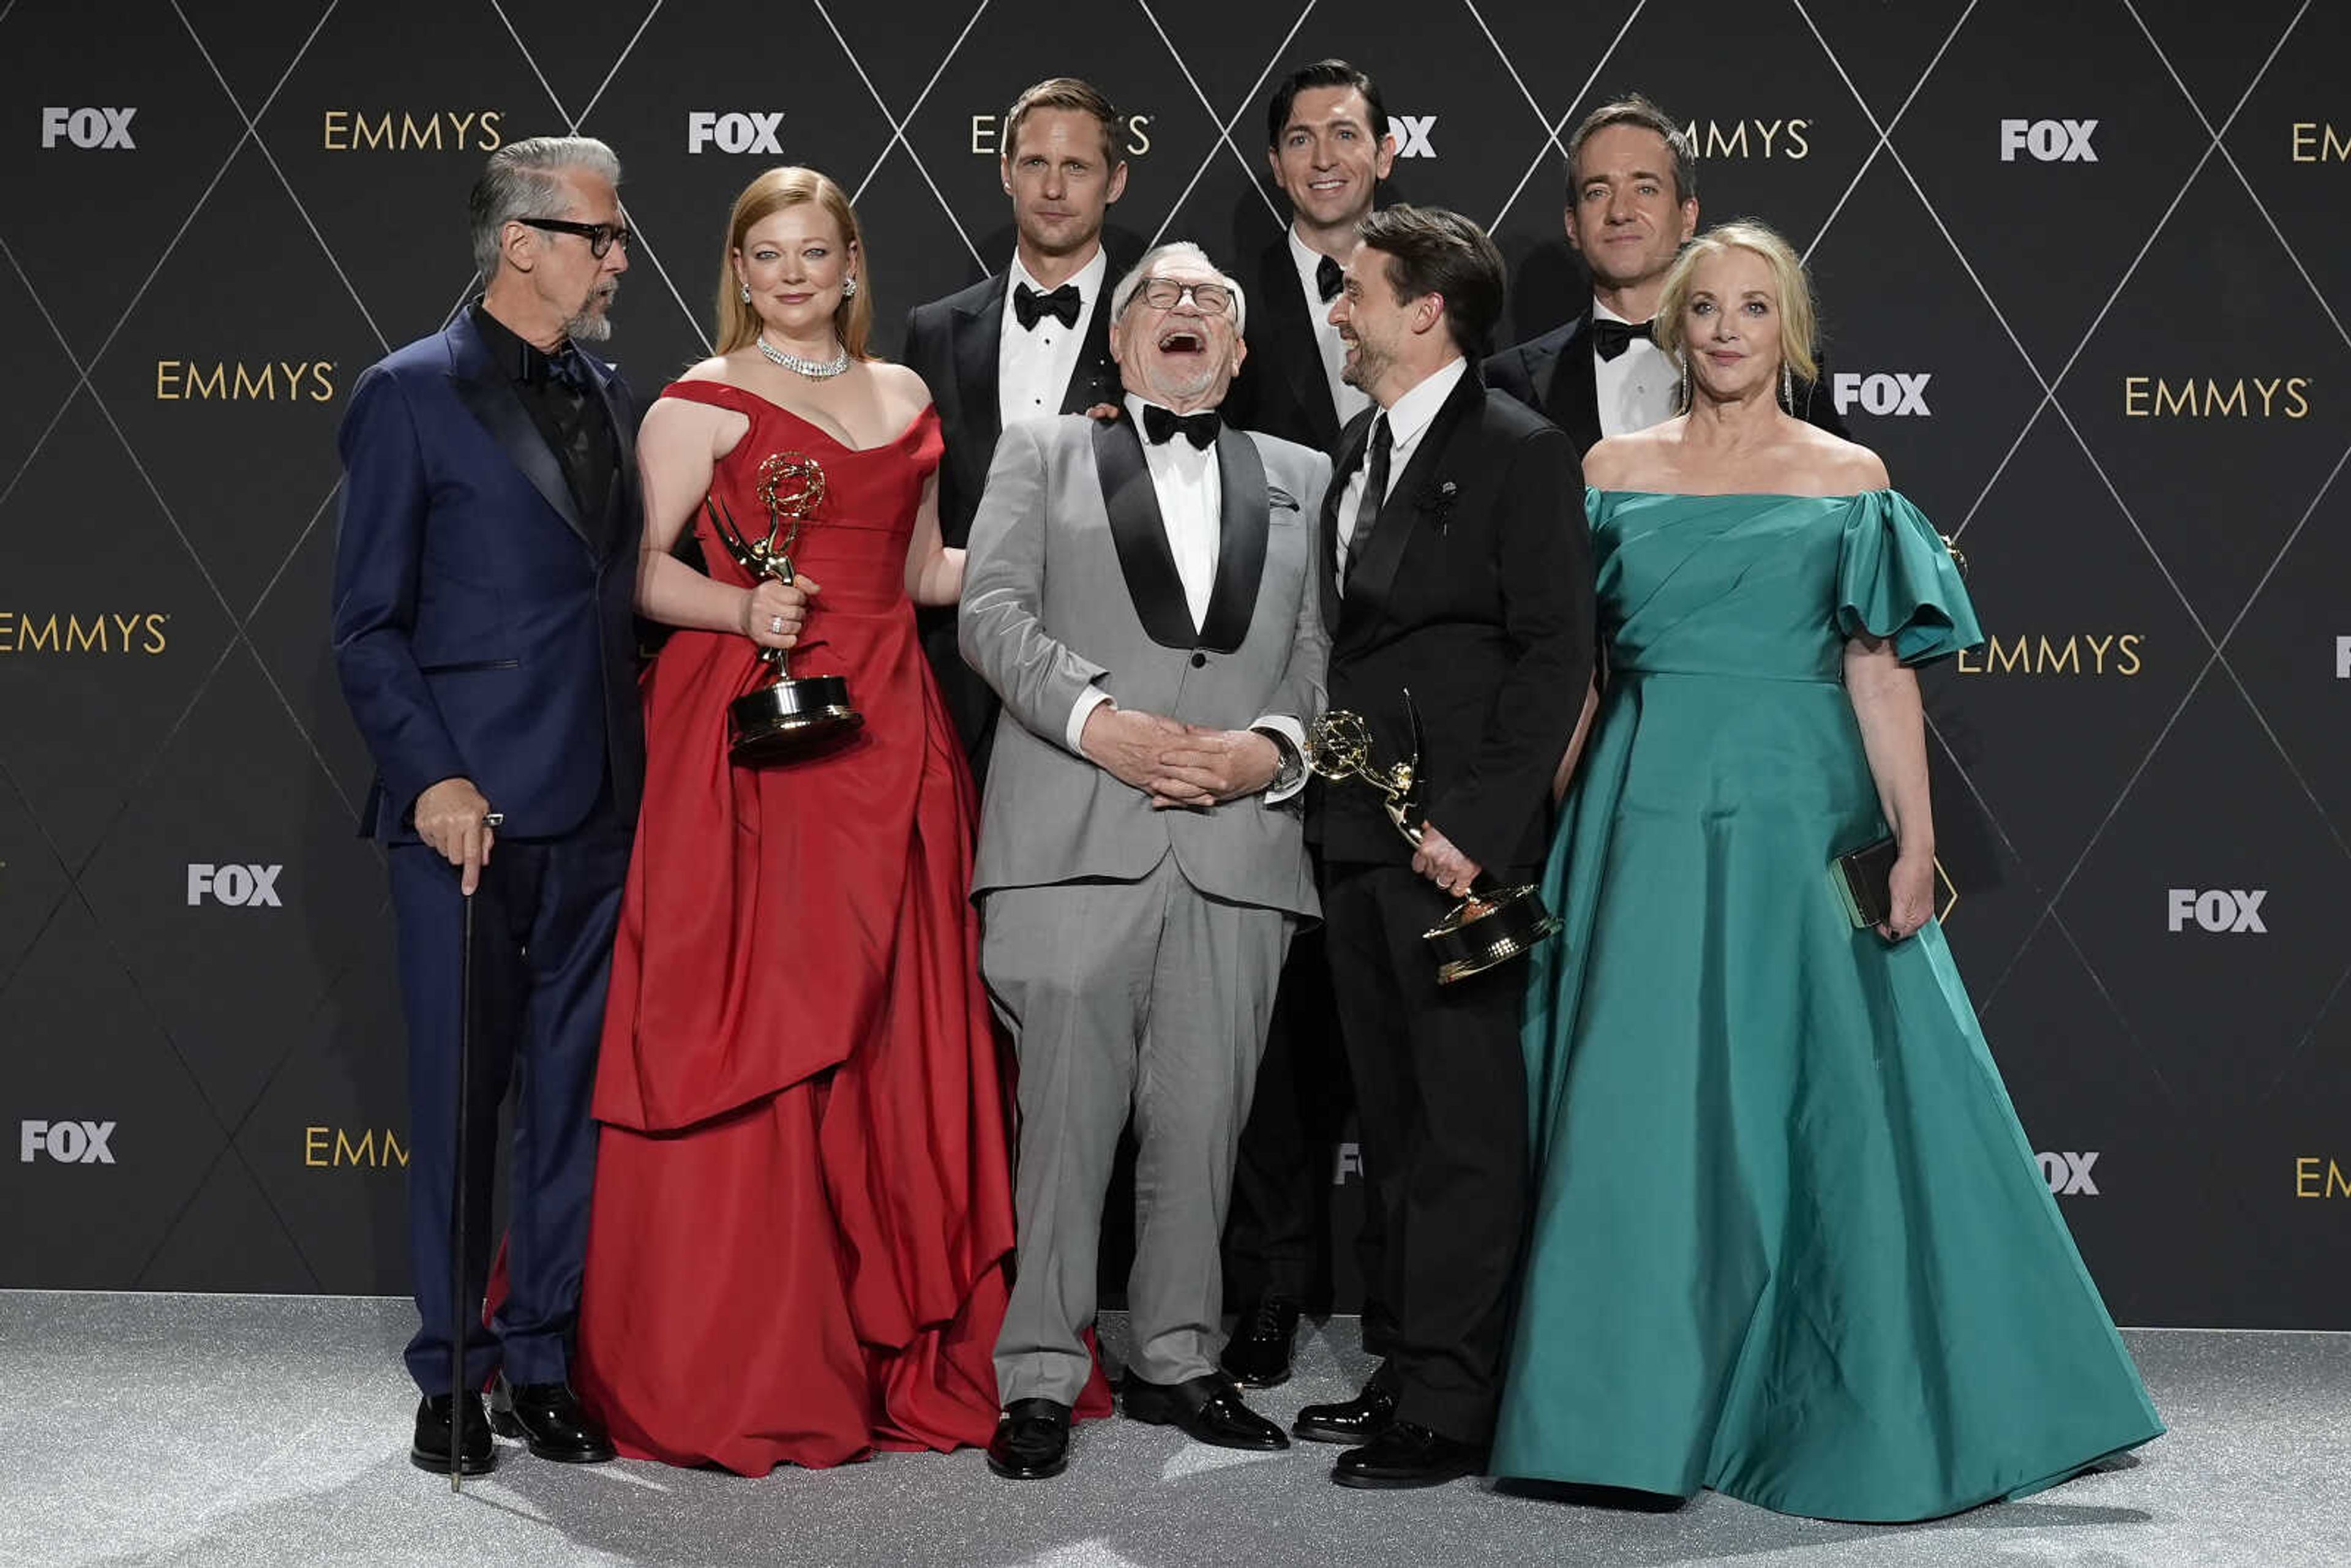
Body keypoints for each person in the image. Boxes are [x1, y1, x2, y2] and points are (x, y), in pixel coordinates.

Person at [1493, 221, 2163, 1520]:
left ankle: (1858, 1399)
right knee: (1639, 1112)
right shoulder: (1610, 465)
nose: (1730, 329)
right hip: (1642, 815)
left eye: (1756, 308)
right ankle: (1621, 1415)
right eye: (1708, 309)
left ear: (1788, 331)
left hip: (1801, 815)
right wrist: (1538, 827)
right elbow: (1584, 673)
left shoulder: (1851, 471)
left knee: (1834, 1103)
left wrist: (1914, 841)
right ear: (1677, 327)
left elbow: (1877, 664)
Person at [572, 166, 1015, 1474]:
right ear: (740, 269)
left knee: (896, 1028)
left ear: (852, 264)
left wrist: (1067, 542)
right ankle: (752, 1347)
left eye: (815, 252)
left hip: (897, 731)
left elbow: (926, 567)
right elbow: (641, 573)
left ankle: (894, 1340)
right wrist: (738, 610)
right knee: (768, 1020)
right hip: (761, 745)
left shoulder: (911, 397)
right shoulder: (699, 400)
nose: (793, 274)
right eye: (768, 255)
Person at [961, 242, 1330, 1481]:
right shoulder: (1042, 449)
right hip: (1072, 835)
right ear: (1117, 345)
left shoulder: (1305, 476)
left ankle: (1178, 1350)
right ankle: (1041, 1371)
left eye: (1212, 304)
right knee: (1061, 1121)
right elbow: (992, 612)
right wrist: (1097, 722)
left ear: (1238, 348)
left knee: (1205, 1120)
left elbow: (1322, 650)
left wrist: (1265, 749)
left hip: (1237, 844)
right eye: (1160, 299)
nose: (1186, 313)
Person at [331, 135, 640, 1476]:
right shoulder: (407, 394)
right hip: (463, 817)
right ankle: (450, 1372)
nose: (619, 255)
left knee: (571, 1103)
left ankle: (540, 1359)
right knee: (464, 1104)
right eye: (600, 234)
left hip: (603, 805)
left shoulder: (619, 390)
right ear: (523, 242)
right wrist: (435, 775)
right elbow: (366, 628)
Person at [1293, 206, 1594, 1489]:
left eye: (1355, 288)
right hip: (1358, 832)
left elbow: (1557, 653)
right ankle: (1408, 1355)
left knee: (1465, 1125)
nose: (1339, 307)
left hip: (1455, 848)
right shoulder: (1358, 442)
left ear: (1426, 308)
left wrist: (1476, 826)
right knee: (1398, 1122)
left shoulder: (1525, 451)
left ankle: (1456, 1401)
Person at [1215, 56, 1398, 1392]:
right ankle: (1267, 1294)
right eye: (1301, 138)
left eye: (1348, 134)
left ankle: (1410, 1310)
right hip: (1257, 709)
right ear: (1275, 163)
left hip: (1404, 722)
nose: (1326, 155)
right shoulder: (1212, 307)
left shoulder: (1429, 296)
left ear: (1386, 153)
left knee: (1402, 1027)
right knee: (1265, 1034)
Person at [903, 77, 1131, 784]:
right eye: (1035, 163)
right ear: (1006, 171)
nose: (1054, 187)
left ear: (1115, 181)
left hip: (1110, 674)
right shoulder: (933, 330)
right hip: (957, 677)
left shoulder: (1161, 329)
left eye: (1077, 167)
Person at [1485, 93, 1845, 452]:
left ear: (1688, 216)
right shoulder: (1506, 384)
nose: (1621, 211)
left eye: (1645, 188)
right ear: (1572, 225)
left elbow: (1834, 489)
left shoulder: (1776, 365)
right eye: (1597, 192)